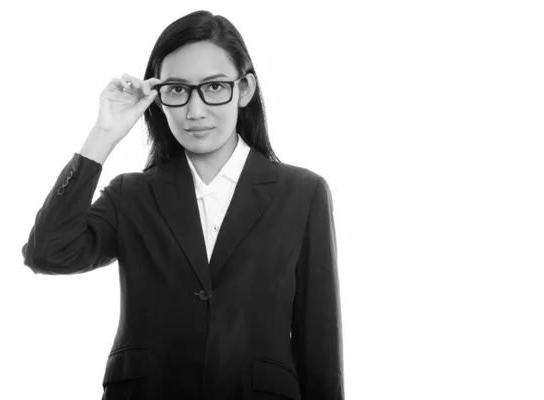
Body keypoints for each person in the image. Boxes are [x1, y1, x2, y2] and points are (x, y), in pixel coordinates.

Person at [21, 9, 344, 400]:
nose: (195, 111)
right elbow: (47, 253)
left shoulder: (303, 192)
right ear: (158, 98)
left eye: (214, 87)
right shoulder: (132, 195)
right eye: (177, 90)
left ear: (244, 89)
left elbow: (319, 342)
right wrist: (103, 135)